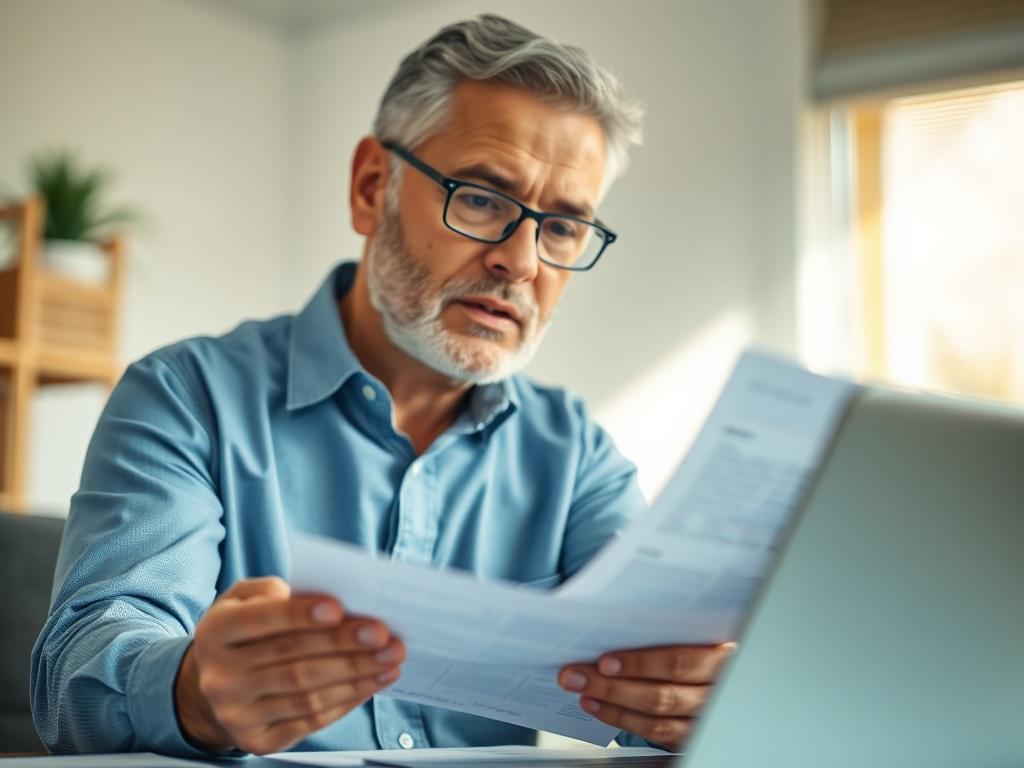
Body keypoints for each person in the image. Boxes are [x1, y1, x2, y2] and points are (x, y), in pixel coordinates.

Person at [31, 14, 733, 757]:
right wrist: (190, 689)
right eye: (484, 199)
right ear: (373, 187)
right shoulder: (186, 398)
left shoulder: (576, 456)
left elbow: (654, 667)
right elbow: (83, 661)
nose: (522, 262)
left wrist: (693, 695)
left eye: (562, 227)